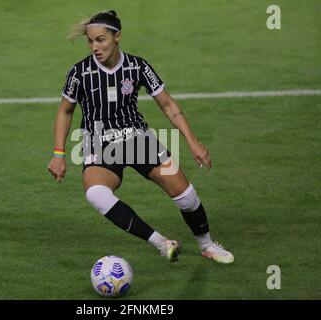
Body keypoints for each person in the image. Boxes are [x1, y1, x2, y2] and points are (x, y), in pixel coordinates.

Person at [47, 10, 234, 264]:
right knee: (96, 194)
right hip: (99, 143)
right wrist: (58, 154)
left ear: (117, 37)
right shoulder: (80, 73)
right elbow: (65, 111)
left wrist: (193, 141)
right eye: (90, 41)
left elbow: (168, 105)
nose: (94, 47)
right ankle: (160, 242)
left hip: (137, 139)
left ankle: (207, 245)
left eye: (100, 40)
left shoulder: (138, 66)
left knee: (186, 196)